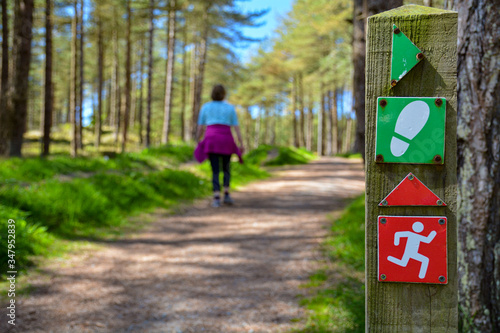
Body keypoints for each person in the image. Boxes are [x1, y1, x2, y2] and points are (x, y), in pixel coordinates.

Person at [194, 84, 244, 208]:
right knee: (226, 167)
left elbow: (200, 127)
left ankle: (216, 196)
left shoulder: (206, 107)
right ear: (224, 94)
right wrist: (241, 143)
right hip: (226, 138)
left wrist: (197, 140)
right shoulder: (230, 108)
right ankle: (226, 193)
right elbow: (236, 127)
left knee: (215, 169)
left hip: (211, 139)